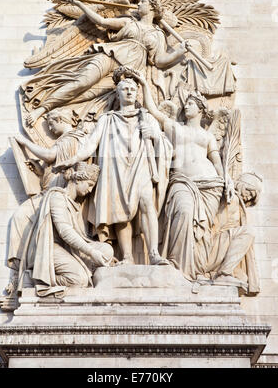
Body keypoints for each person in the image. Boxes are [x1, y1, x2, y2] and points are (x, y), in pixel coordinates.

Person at [56, 67, 173, 266]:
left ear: (138, 93)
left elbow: (167, 143)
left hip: (140, 165)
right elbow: (91, 144)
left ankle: (153, 253)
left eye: (132, 89)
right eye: (125, 89)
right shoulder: (107, 119)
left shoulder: (146, 117)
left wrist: (153, 135)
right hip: (116, 169)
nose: (129, 92)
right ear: (118, 93)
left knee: (147, 204)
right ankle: (127, 256)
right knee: (120, 212)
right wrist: (72, 159)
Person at [23, 0, 188, 126]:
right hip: (111, 55)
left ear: (151, 7)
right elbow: (101, 21)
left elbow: (159, 61)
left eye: (142, 2)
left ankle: (58, 111)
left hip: (126, 73)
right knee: (82, 82)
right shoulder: (128, 22)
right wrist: (80, 4)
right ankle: (42, 109)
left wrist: (178, 52)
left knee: (89, 93)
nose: (138, 5)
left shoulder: (158, 34)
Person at [131, 69, 235, 281]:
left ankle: (194, 270)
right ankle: (178, 268)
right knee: (184, 213)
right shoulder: (174, 128)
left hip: (209, 186)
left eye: (190, 104)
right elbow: (153, 110)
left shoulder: (207, 136)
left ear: (200, 109)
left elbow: (216, 160)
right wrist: (143, 84)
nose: (186, 106)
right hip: (182, 182)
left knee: (201, 230)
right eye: (186, 103)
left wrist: (228, 179)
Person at [7, 108, 89, 274]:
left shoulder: (70, 139)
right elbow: (54, 166)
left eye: (51, 125)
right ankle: (22, 269)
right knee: (22, 219)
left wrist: (25, 142)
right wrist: (39, 170)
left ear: (60, 119)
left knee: (20, 217)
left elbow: (51, 156)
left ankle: (21, 270)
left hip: (56, 194)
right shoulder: (65, 140)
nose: (50, 130)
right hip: (49, 191)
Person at [17, 162, 113, 297]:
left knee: (107, 250)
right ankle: (35, 277)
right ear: (78, 179)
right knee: (79, 279)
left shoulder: (75, 205)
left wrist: (95, 250)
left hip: (68, 249)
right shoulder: (57, 197)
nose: (90, 190)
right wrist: (91, 252)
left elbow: (80, 236)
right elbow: (65, 232)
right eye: (90, 185)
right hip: (50, 248)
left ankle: (86, 268)